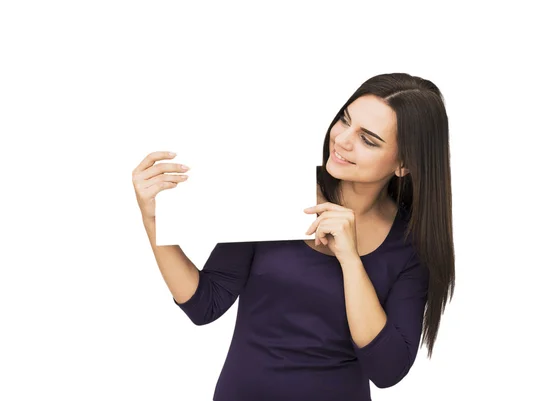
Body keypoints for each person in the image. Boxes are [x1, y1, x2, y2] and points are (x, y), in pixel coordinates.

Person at [131, 72, 455, 401]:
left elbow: (387, 370)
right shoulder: (274, 190)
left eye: (368, 139)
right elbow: (205, 305)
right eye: (345, 120)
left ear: (403, 164)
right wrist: (152, 218)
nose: (342, 139)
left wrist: (350, 260)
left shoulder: (410, 246)